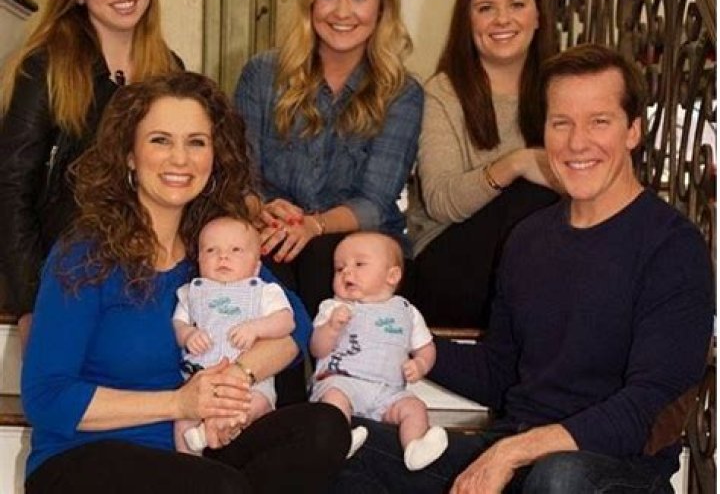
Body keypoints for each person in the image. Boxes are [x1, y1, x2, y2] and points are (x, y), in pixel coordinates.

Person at [332, 44, 714, 493]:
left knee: (559, 476)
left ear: (633, 131)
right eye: (561, 123)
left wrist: (516, 452)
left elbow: (647, 408)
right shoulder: (529, 238)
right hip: (519, 448)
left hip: (615, 471)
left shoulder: (672, 246)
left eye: (599, 121)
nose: (577, 142)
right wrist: (398, 338)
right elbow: (501, 373)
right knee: (348, 447)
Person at [21, 71, 349, 493]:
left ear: (215, 156)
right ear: (129, 154)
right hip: (83, 457)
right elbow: (46, 397)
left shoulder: (211, 250)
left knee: (323, 427)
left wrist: (236, 377)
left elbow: (296, 326)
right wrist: (180, 402)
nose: (180, 159)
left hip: (191, 451)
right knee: (219, 487)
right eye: (160, 140)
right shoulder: (84, 253)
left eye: (196, 142)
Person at [0, 0, 181, 346]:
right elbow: (10, 187)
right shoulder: (44, 67)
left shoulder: (170, 69)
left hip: (151, 273)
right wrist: (31, 303)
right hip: (68, 275)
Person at [234, 0, 423, 322]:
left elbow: (373, 203)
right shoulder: (261, 75)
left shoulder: (402, 93)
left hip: (362, 244)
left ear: (382, 5)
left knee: (324, 259)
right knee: (259, 269)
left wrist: (312, 225)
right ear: (310, 0)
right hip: (273, 232)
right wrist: (262, 209)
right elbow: (240, 179)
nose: (342, 11)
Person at [406, 0, 560, 329]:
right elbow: (441, 203)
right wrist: (517, 164)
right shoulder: (443, 93)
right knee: (533, 196)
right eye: (486, 8)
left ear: (538, 16)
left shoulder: (561, 89)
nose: (502, 19)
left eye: (517, 5)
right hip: (448, 266)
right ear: (468, 21)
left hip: (535, 267)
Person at [309, 232, 447, 470]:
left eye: (359, 264)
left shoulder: (406, 311)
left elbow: (426, 348)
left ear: (392, 276)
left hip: (388, 391)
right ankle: (339, 441)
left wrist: (421, 364)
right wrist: (331, 329)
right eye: (339, 268)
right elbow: (317, 349)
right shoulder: (333, 307)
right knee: (333, 399)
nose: (347, 273)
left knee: (414, 407)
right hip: (342, 381)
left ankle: (415, 447)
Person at [173, 216, 295, 454]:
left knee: (253, 406)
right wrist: (188, 335)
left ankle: (218, 430)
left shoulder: (264, 291)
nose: (223, 257)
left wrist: (257, 328)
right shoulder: (191, 293)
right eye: (211, 250)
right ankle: (188, 464)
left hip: (251, 383)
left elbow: (286, 322)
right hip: (200, 379)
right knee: (182, 421)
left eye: (236, 250)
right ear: (199, 261)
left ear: (256, 266)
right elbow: (177, 325)